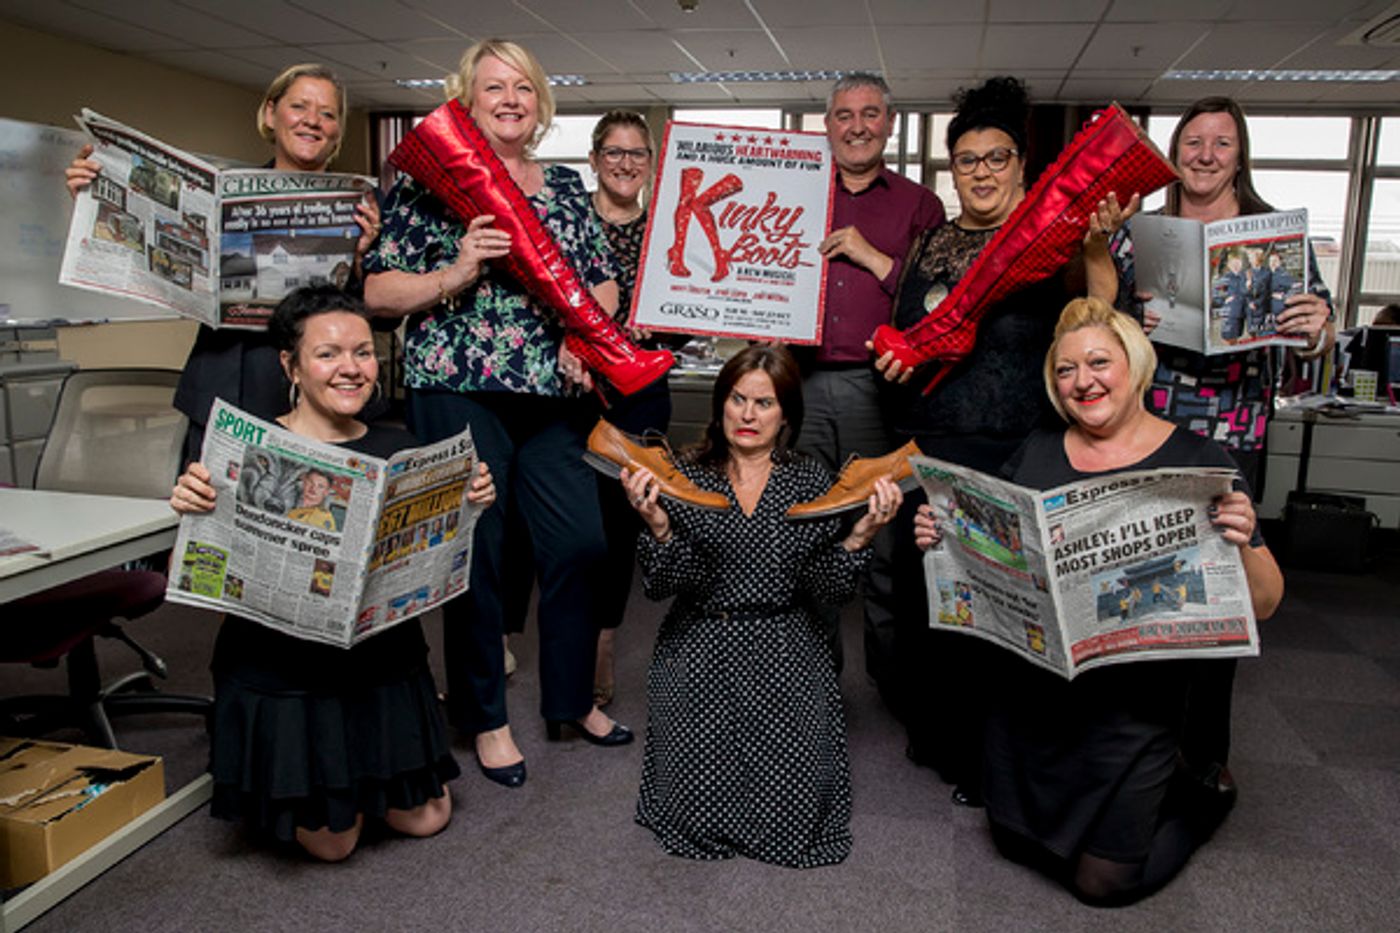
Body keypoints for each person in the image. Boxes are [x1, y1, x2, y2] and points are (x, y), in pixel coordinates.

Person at [915, 297, 1283, 905]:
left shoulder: (1199, 462)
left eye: (1098, 363)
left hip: (1131, 709)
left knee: (1102, 884)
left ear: (1135, 367)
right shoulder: (1038, 451)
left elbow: (1266, 604)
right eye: (1065, 370)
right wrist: (944, 535)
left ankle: (1200, 800)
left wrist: (1244, 543)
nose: (1082, 381)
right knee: (1012, 845)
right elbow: (998, 547)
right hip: (1036, 694)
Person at [362, 39, 628, 791]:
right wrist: (457, 270)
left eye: (523, 87)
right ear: (466, 99)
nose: (510, 99)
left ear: (540, 103)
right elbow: (378, 294)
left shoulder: (568, 185)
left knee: (580, 543)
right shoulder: (426, 184)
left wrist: (589, 337)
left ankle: (572, 700)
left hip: (553, 395)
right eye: (492, 87)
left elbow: (601, 283)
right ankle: (484, 716)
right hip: (457, 385)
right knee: (477, 552)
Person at [169, 285, 498, 861]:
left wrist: (470, 501)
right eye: (328, 354)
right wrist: (195, 498)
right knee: (333, 844)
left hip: (380, 659)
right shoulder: (246, 447)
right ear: (289, 365)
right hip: (286, 669)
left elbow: (436, 558)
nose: (351, 369)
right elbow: (209, 558)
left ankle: (358, 772)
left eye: (363, 353)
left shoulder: (403, 446)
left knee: (428, 819)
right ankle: (313, 774)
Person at [877, 76, 1134, 805]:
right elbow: (912, 335)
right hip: (933, 448)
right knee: (937, 605)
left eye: (996, 157)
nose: (982, 171)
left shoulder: (1053, 240)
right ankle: (942, 736)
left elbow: (1097, 313)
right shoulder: (930, 243)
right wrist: (894, 355)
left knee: (1004, 608)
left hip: (1023, 450)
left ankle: (996, 754)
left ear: (1023, 164)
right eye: (966, 159)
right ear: (951, 170)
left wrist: (1093, 243)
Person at [619, 344, 902, 867]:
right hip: (703, 648)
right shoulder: (684, 475)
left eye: (764, 404)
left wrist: (861, 535)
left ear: (787, 415)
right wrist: (658, 527)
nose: (748, 415)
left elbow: (829, 591)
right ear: (719, 404)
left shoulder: (811, 483)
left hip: (784, 650)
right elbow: (663, 586)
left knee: (795, 820)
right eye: (737, 399)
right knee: (696, 818)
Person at [1123, 97, 1333, 787]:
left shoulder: (1278, 239)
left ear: (1240, 154)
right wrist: (1134, 315)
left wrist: (1317, 328)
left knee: (1220, 593)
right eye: (1193, 141)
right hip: (1153, 430)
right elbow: (1108, 322)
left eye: (1221, 143)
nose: (1205, 155)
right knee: (1145, 582)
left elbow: (1315, 336)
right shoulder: (1143, 230)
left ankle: (1205, 752)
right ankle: (1142, 741)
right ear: (1175, 151)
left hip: (1232, 435)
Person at [65, 64, 381, 467]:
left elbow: (380, 317)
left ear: (339, 129)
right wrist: (96, 202)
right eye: (299, 106)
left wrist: (357, 260)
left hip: (326, 397)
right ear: (271, 113)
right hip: (226, 384)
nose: (312, 121)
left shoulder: (366, 205)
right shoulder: (220, 195)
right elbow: (158, 268)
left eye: (328, 113)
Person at [796, 72, 944, 681]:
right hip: (796, 387)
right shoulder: (794, 192)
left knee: (883, 539)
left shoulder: (920, 205)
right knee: (805, 535)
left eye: (870, 114)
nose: (856, 126)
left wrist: (871, 255)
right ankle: (813, 678)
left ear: (890, 123)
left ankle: (890, 682)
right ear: (827, 126)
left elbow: (937, 303)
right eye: (843, 115)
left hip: (876, 389)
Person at [585, 109, 674, 707]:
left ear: (650, 163)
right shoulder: (566, 223)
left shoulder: (667, 231)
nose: (625, 163)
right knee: (570, 525)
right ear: (594, 159)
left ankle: (603, 644)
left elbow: (691, 320)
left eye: (637, 153)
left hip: (642, 396)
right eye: (613, 152)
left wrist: (662, 324)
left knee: (618, 526)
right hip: (571, 389)